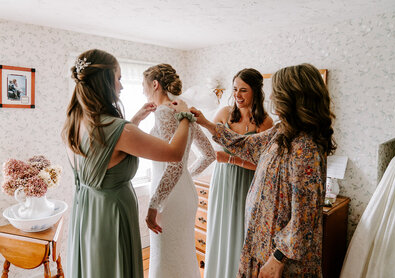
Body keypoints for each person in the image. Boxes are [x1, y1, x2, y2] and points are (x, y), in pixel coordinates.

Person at [191, 63, 336, 278]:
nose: (273, 98)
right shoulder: (283, 130)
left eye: (278, 92)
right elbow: (247, 144)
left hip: (281, 260)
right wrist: (206, 123)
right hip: (262, 244)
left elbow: (305, 218)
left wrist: (277, 259)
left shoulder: (305, 148)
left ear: (294, 98)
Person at [62, 49, 193, 278]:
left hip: (87, 211)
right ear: (105, 82)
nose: (121, 87)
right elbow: (175, 153)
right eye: (119, 78)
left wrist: (135, 121)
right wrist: (184, 115)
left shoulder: (75, 121)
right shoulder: (117, 129)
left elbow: (107, 147)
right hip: (111, 218)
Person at [143, 64, 216, 278]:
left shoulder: (166, 112)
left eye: (144, 85)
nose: (142, 91)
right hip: (182, 191)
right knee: (181, 252)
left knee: (166, 255)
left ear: (155, 84)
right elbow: (209, 155)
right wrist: (186, 176)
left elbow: (173, 164)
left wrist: (154, 204)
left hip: (169, 198)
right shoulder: (183, 112)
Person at [204, 68, 273, 278]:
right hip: (223, 180)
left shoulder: (265, 123)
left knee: (242, 233)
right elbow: (209, 143)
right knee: (221, 229)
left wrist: (232, 159)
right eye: (235, 89)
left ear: (256, 92)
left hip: (249, 183)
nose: (237, 95)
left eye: (243, 90)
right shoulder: (224, 114)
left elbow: (263, 165)